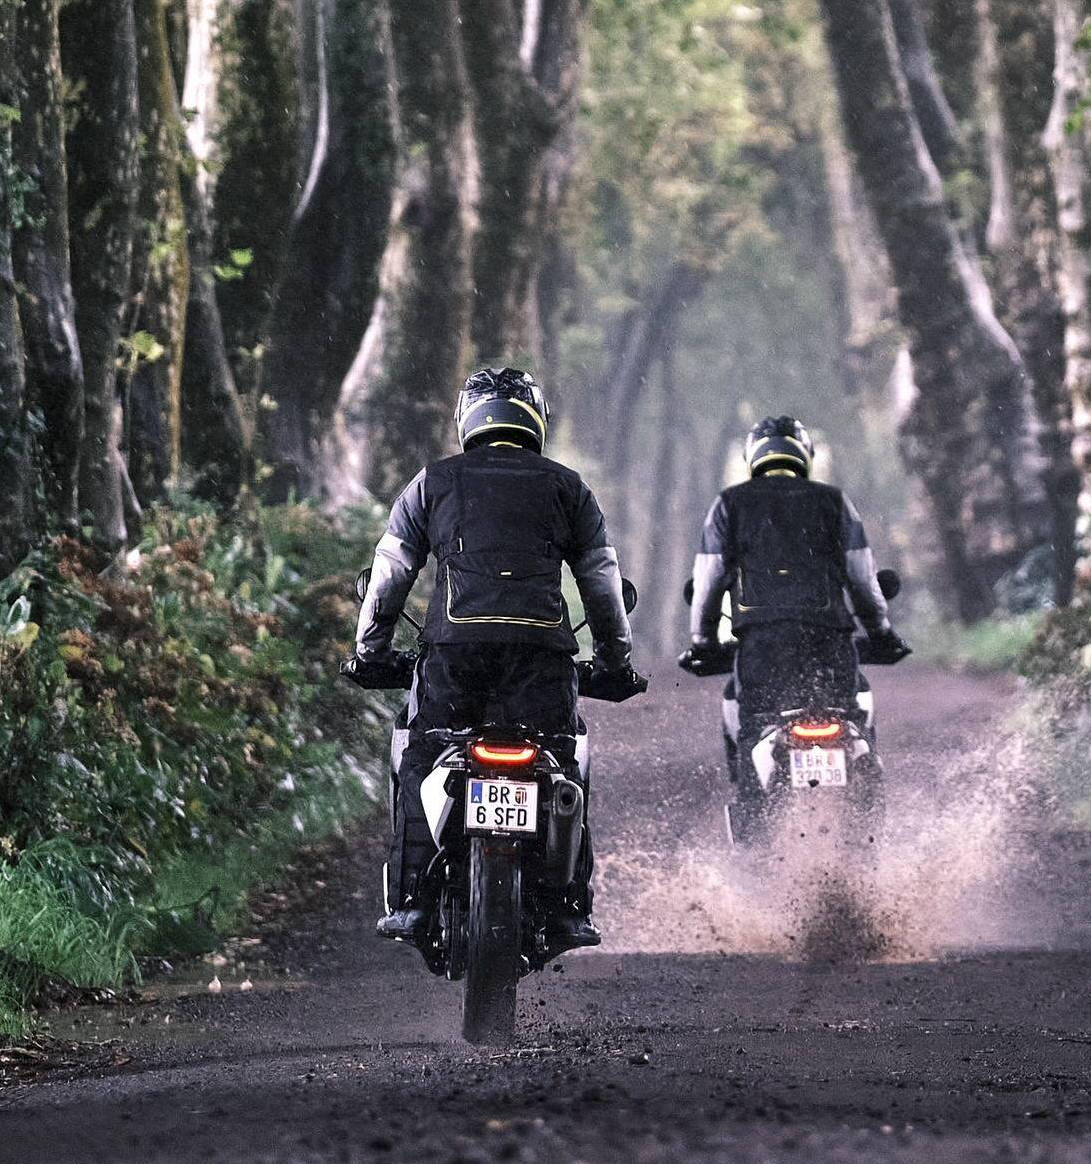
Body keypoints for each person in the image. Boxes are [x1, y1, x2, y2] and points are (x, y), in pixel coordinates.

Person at [348, 365, 646, 948]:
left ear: (467, 419)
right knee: (564, 764)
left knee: (420, 754)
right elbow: (603, 588)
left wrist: (370, 652)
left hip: (451, 658)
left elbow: (389, 579)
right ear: (535, 420)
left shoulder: (432, 483)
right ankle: (567, 907)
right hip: (543, 662)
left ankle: (412, 900)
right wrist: (615, 662)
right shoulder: (569, 488)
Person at [679, 415, 907, 727]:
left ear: (753, 456)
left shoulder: (728, 505)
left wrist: (702, 640)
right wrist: (880, 630)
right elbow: (862, 578)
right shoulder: (834, 502)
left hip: (760, 645)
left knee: (754, 726)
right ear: (804, 455)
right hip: (829, 640)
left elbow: (709, 582)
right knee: (849, 719)